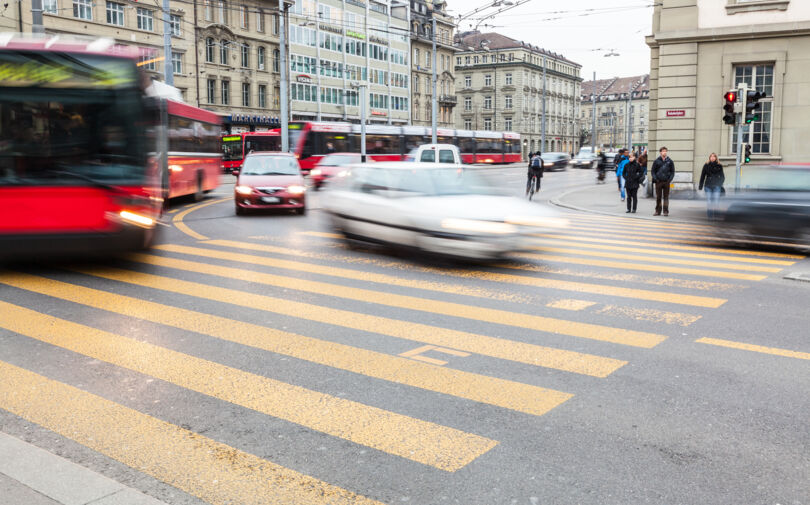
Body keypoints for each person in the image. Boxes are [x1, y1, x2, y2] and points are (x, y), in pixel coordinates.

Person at [698, 153, 725, 220]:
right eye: (711, 156)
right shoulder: (706, 165)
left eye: (714, 156)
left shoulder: (719, 165)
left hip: (716, 186)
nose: (712, 158)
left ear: (716, 158)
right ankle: (710, 217)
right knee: (709, 201)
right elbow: (702, 176)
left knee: (716, 201)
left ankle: (716, 215)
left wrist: (719, 184)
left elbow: (722, 177)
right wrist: (700, 186)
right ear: (709, 158)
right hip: (708, 186)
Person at [651, 146, 675, 216]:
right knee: (658, 197)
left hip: (666, 182)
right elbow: (653, 171)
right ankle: (657, 211)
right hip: (658, 182)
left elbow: (672, 172)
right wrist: (656, 179)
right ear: (660, 152)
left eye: (665, 151)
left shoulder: (670, 161)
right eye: (663, 151)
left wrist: (669, 180)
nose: (664, 152)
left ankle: (665, 211)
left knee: (666, 197)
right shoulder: (656, 161)